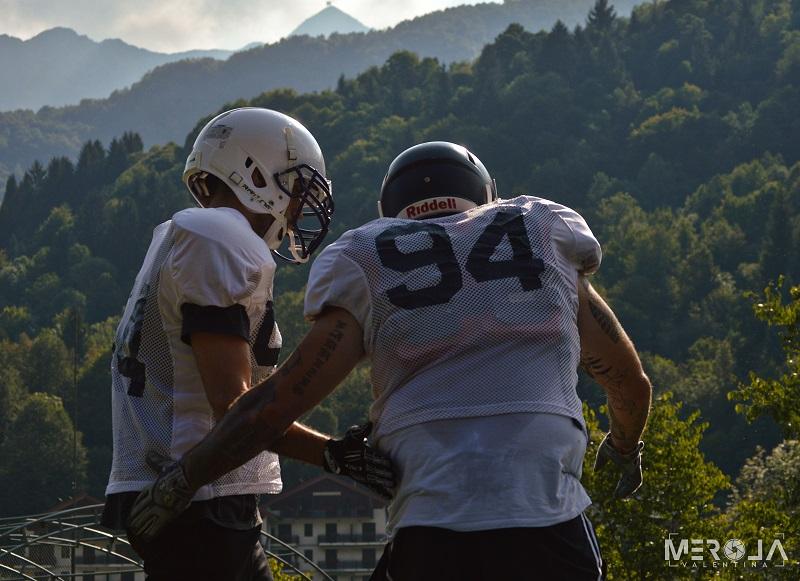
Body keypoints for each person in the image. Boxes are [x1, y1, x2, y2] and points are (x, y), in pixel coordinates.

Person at [126, 141, 652, 581]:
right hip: (550, 517)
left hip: (435, 526)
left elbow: (271, 405)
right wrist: (625, 447)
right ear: (483, 197)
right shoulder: (541, 236)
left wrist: (183, 478)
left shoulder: (370, 260)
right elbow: (631, 383)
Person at [101, 107, 394, 581]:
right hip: (197, 493)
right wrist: (332, 454)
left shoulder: (184, 234)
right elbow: (233, 407)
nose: (299, 207)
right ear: (255, 173)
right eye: (297, 189)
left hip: (179, 489)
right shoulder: (219, 238)